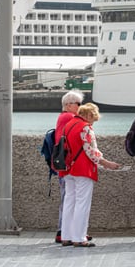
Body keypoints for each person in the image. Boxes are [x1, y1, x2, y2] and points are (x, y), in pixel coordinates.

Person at [59, 102, 120, 248]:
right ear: (88, 115)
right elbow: (90, 150)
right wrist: (106, 163)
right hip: (82, 169)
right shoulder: (85, 127)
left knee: (69, 202)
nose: (93, 122)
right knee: (82, 203)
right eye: (93, 118)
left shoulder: (68, 125)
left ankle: (66, 236)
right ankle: (79, 238)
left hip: (67, 168)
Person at [53, 90, 83, 244]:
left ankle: (67, 231)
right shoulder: (69, 117)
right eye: (78, 104)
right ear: (69, 105)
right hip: (69, 164)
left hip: (63, 164)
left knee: (67, 196)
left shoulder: (62, 117)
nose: (80, 107)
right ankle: (65, 231)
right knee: (70, 198)